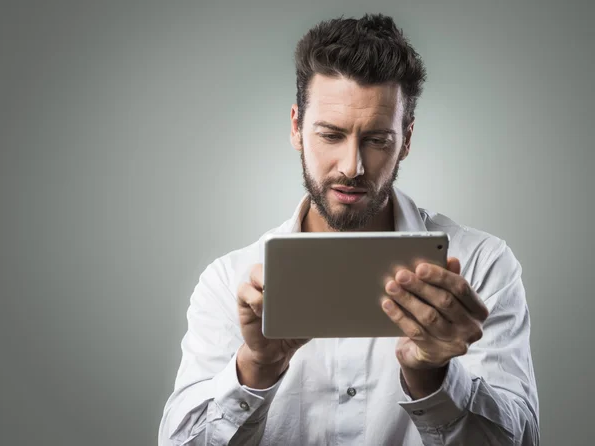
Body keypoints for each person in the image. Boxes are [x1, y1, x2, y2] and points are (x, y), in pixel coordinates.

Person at [158, 13, 539, 446]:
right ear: (297, 127)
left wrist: (432, 377)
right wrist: (256, 367)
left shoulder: (480, 265)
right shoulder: (228, 282)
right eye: (331, 135)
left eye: (377, 140)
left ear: (407, 138)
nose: (351, 167)